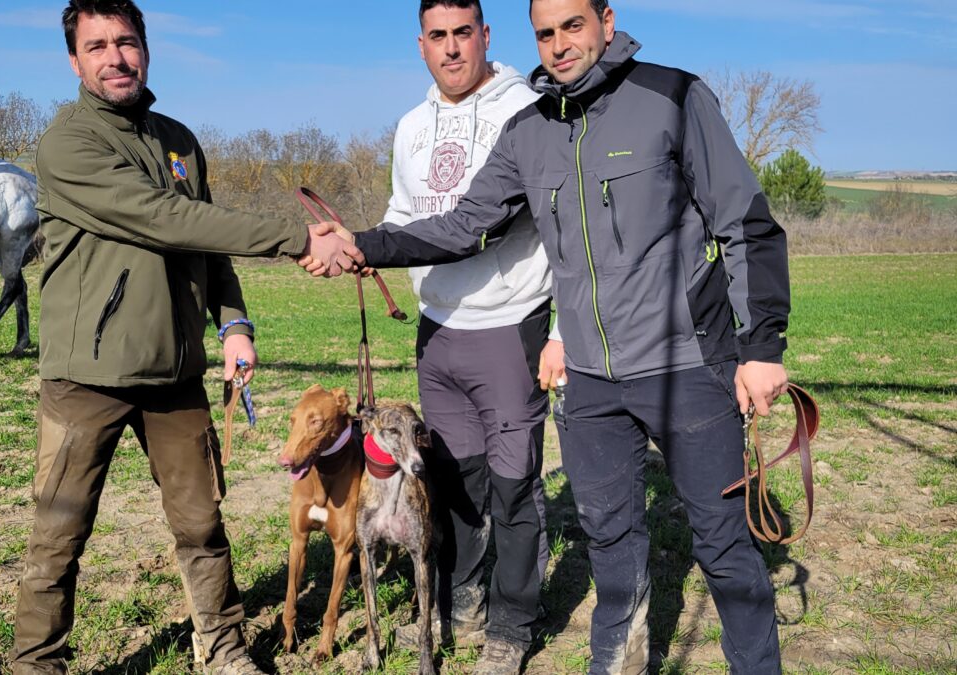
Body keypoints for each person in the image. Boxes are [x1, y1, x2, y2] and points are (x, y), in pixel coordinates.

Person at [306, 1, 791, 673]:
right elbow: (461, 225)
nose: (560, 44)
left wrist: (761, 345)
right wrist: (363, 244)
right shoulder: (528, 131)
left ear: (606, 20)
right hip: (590, 381)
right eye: (546, 31)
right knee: (612, 546)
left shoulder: (673, 97)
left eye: (573, 25)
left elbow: (746, 221)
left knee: (724, 550)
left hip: (687, 364)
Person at [9, 1, 352, 674]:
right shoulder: (67, 144)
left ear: (146, 48)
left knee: (201, 524)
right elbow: (163, 218)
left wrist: (234, 325)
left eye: (127, 42)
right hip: (86, 375)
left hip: (176, 375)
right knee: (58, 533)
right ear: (74, 60)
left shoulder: (178, 140)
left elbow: (205, 242)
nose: (116, 57)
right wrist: (293, 236)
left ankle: (221, 646)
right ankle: (34, 662)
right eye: (98, 45)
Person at [387, 2, 554, 672]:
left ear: (486, 37)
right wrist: (370, 249)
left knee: (514, 483)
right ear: (420, 44)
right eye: (438, 36)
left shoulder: (526, 112)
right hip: (439, 330)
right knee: (454, 479)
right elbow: (403, 213)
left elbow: (547, 224)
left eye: (464, 34)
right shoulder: (410, 126)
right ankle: (461, 601)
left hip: (509, 322)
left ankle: (513, 624)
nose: (452, 48)